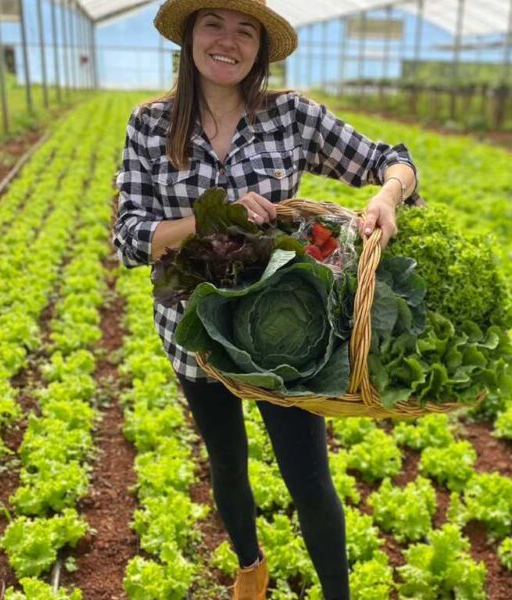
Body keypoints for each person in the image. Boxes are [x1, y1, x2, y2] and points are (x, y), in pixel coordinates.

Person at [112, 1, 420, 598]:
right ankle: (250, 568)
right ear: (190, 36)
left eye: (244, 30)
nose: (227, 41)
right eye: (214, 24)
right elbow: (129, 236)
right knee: (226, 461)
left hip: (287, 339)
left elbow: (393, 160)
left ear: (260, 47)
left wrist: (388, 196)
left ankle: (337, 593)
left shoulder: (291, 116)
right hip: (195, 335)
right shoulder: (150, 124)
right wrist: (211, 219)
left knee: (309, 479)